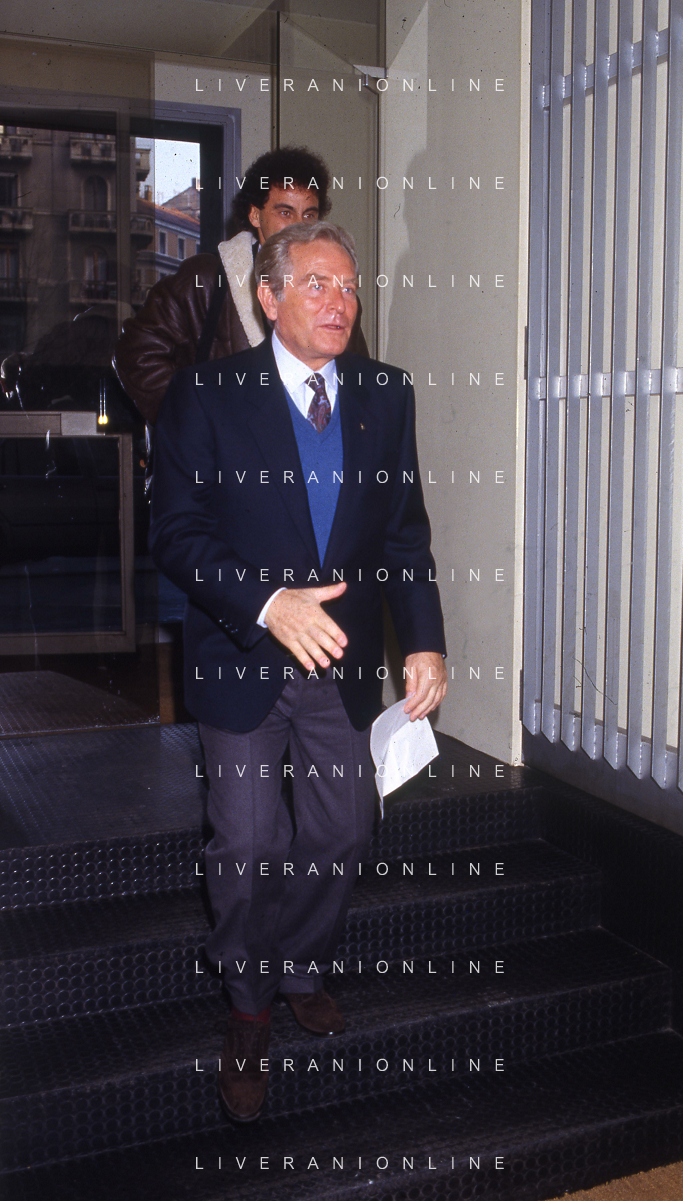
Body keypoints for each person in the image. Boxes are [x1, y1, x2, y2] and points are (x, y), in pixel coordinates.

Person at [148, 220, 447, 1123]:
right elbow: (177, 534)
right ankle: (248, 1007)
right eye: (317, 283)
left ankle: (302, 965)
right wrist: (269, 602)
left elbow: (403, 535)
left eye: (349, 286)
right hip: (241, 654)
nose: (339, 301)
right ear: (268, 296)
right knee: (246, 846)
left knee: (344, 829)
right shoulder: (205, 395)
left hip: (340, 661)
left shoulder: (385, 394)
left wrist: (424, 641)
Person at [113, 146, 366, 426]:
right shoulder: (206, 279)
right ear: (255, 215)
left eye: (309, 215)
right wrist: (197, 425)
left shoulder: (339, 296)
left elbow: (356, 381)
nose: (299, 227)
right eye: (285, 212)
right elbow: (135, 355)